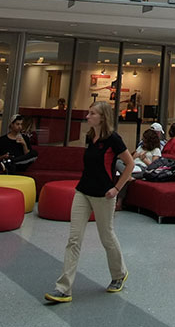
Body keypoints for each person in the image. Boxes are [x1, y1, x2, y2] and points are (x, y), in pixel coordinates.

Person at [45, 101, 133, 304]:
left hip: (104, 195)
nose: (87, 116)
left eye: (92, 113)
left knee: (106, 237)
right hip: (82, 192)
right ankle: (63, 288)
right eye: (88, 112)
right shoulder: (90, 137)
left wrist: (117, 188)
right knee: (74, 239)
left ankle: (119, 274)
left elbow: (129, 165)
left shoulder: (113, 139)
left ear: (102, 117)